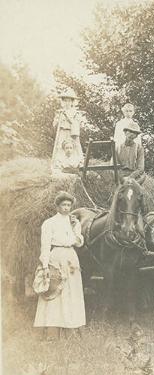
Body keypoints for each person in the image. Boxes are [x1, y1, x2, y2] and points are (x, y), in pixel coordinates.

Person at [34, 191, 86, 339]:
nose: (66, 208)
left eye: (69, 205)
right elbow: (45, 246)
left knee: (72, 292)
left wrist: (76, 228)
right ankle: (53, 330)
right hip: (56, 257)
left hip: (71, 258)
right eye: (63, 205)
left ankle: (71, 327)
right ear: (57, 206)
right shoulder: (49, 223)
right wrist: (45, 266)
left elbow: (79, 242)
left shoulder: (73, 222)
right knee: (55, 291)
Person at [51, 88, 84, 171]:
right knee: (60, 147)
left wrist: (68, 117)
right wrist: (57, 119)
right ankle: (59, 164)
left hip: (72, 132)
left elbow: (77, 123)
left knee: (75, 147)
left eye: (69, 101)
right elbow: (54, 125)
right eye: (65, 101)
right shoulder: (59, 112)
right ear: (63, 102)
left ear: (72, 102)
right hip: (62, 131)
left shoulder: (75, 112)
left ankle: (79, 163)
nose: (67, 103)